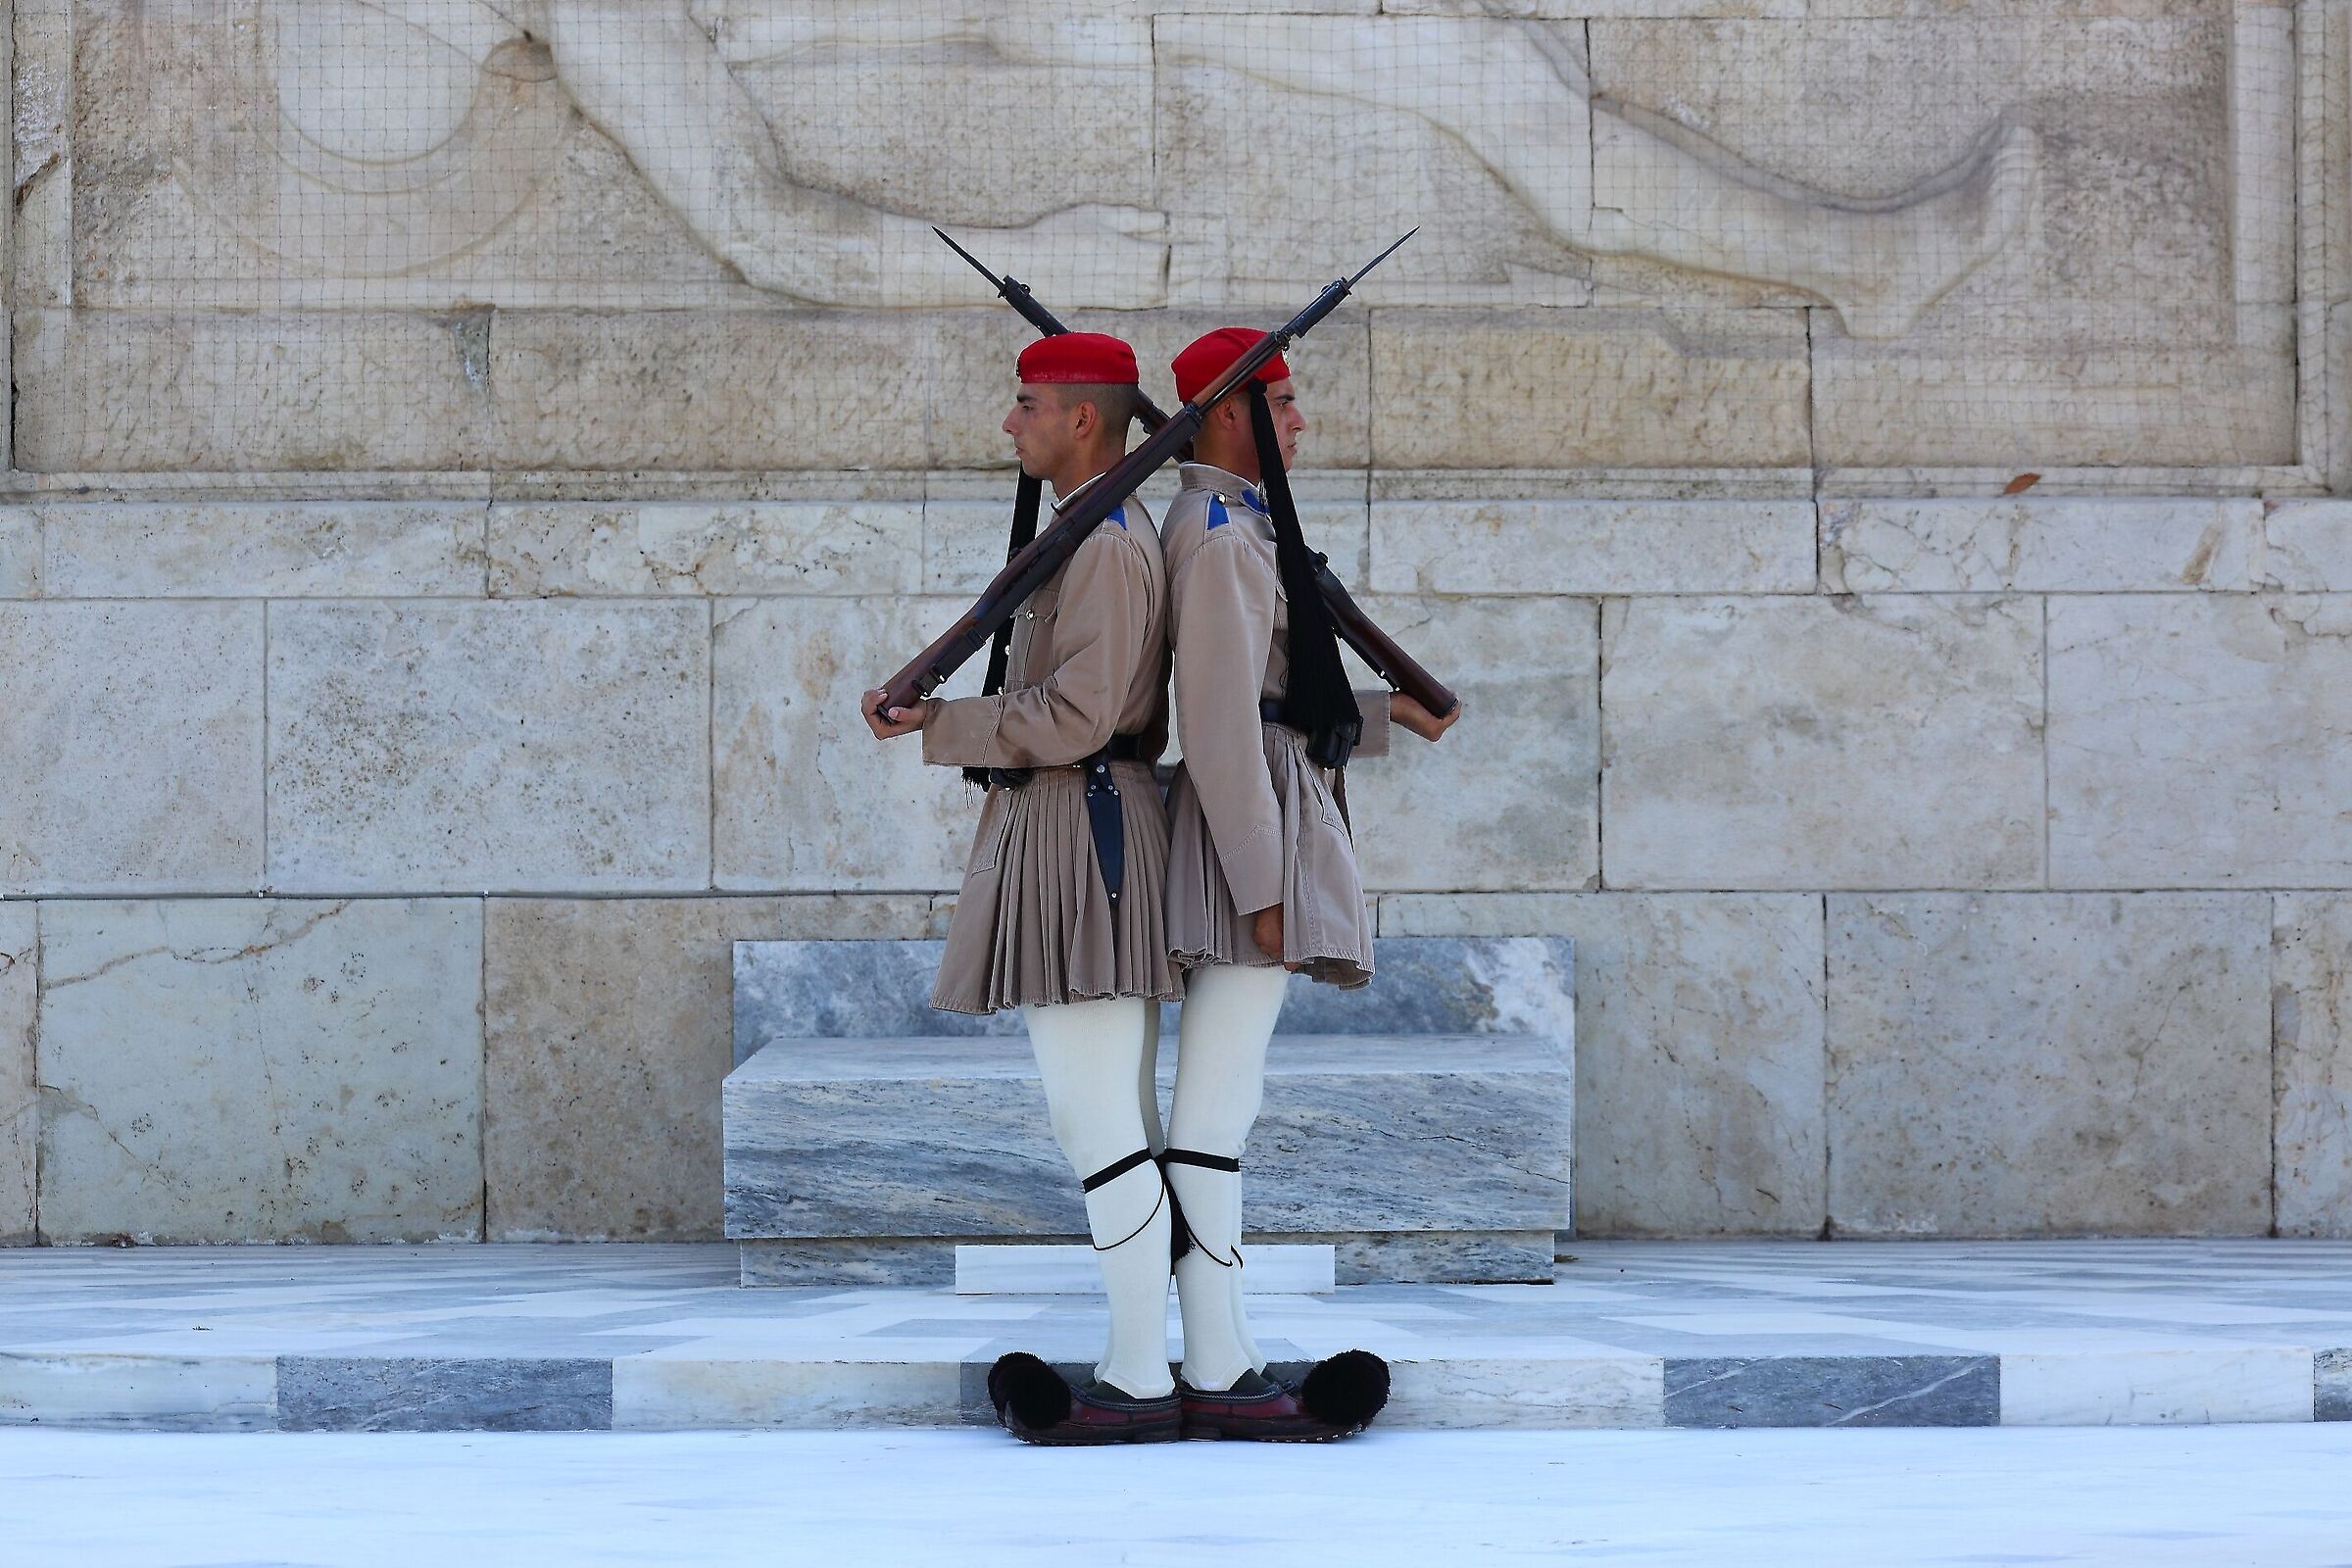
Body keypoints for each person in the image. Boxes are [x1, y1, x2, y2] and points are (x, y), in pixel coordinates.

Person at [862, 331, 1184, 1444]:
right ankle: (1141, 1359)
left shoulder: (1102, 543)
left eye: (1028, 404)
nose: (1012, 424)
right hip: (1070, 823)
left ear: (1082, 419)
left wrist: (940, 722)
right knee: (1104, 1110)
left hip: (1082, 829)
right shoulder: (1091, 530)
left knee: (1097, 1115)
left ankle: (1142, 1377)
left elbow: (1084, 715)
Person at [1150, 326, 1457, 1442]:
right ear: (1229, 412)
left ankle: (1212, 1344)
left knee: (1221, 1105)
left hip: (1270, 813)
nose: (1299, 422)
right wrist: (1262, 886)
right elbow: (1225, 727)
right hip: (1254, 834)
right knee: (1215, 1110)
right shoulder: (1223, 532)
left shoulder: (1236, 524)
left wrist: (1389, 719)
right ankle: (1217, 1361)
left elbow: (1281, 704)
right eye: (1281, 402)